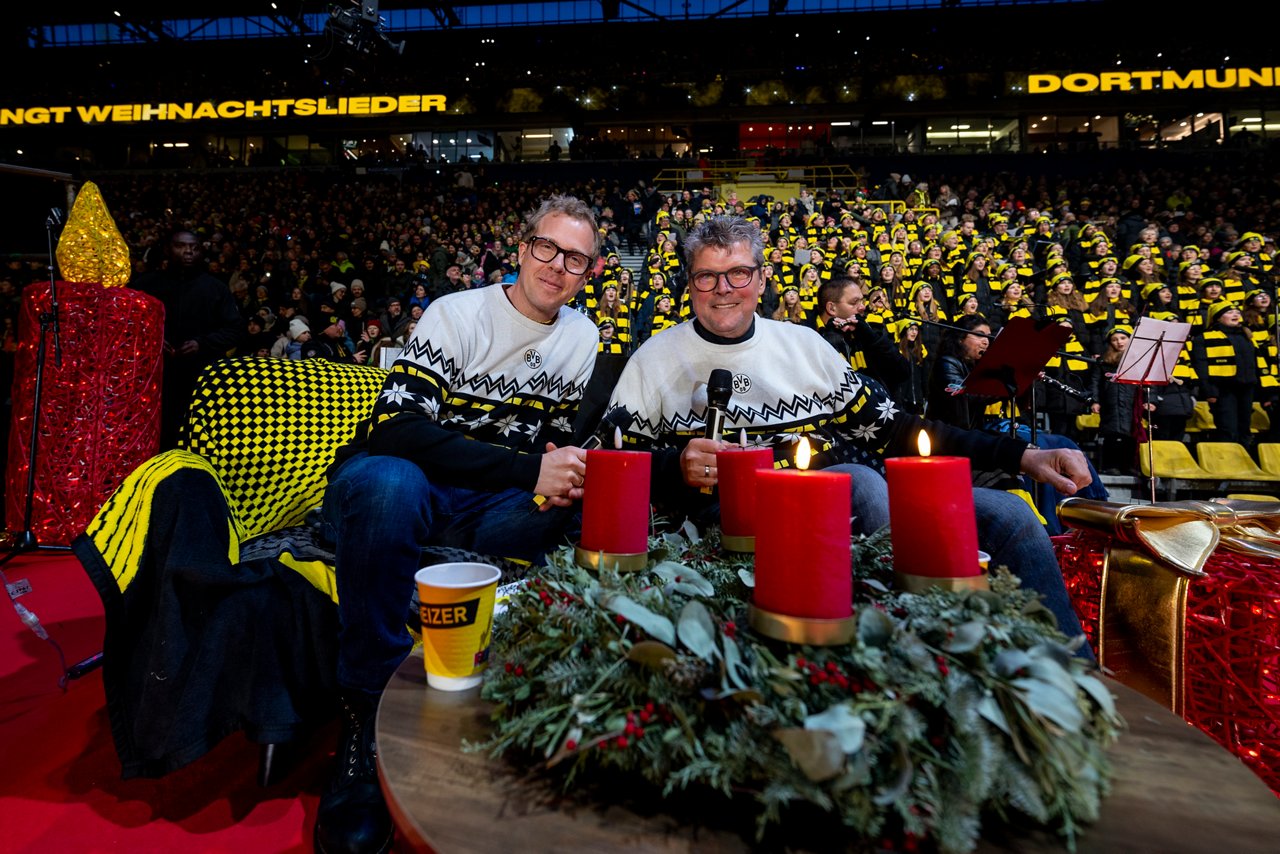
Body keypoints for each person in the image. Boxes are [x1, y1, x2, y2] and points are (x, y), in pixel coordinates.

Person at [605, 216, 1090, 653]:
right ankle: (913, 653)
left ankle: (1071, 678)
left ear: (761, 279)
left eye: (738, 274)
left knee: (1009, 514)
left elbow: (898, 428)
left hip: (853, 511)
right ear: (689, 284)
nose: (723, 288)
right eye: (706, 276)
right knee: (859, 480)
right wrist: (677, 466)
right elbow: (614, 462)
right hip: (734, 528)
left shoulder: (805, 346)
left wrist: (1021, 456)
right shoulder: (654, 358)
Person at [314, 196, 604, 854]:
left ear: (589, 272)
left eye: (576, 259)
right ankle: (364, 717)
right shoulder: (457, 313)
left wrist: (559, 473)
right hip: (396, 480)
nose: (558, 267)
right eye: (547, 248)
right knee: (391, 484)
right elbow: (399, 430)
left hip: (480, 507)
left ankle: (550, 688)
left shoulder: (582, 337)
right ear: (521, 247)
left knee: (598, 496)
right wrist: (528, 470)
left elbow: (552, 452)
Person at [134, 229, 242, 449]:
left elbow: (235, 329)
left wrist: (202, 343)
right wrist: (151, 340)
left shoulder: (216, 288)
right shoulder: (146, 285)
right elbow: (128, 324)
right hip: (155, 379)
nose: (188, 252)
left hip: (201, 379)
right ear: (167, 249)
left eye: (194, 247)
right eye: (181, 246)